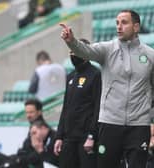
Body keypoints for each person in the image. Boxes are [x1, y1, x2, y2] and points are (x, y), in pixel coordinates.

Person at [59, 9, 154, 168]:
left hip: (139, 125)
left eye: (124, 22)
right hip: (110, 124)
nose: (119, 26)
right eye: (117, 23)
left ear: (136, 27)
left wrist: (145, 105)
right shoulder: (107, 49)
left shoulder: (151, 56)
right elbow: (85, 50)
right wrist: (71, 41)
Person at [54, 38, 102, 168]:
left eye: (75, 51)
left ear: (85, 52)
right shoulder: (71, 76)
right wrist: (59, 136)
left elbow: (98, 108)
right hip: (69, 138)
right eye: (70, 51)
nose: (72, 54)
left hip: (85, 139)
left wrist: (92, 136)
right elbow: (66, 108)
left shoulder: (96, 75)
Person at [0, 98, 57, 168]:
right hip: (19, 159)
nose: (28, 115)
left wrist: (20, 159)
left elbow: (38, 155)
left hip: (24, 163)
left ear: (39, 112)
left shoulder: (42, 130)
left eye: (31, 112)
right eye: (27, 112)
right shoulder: (34, 127)